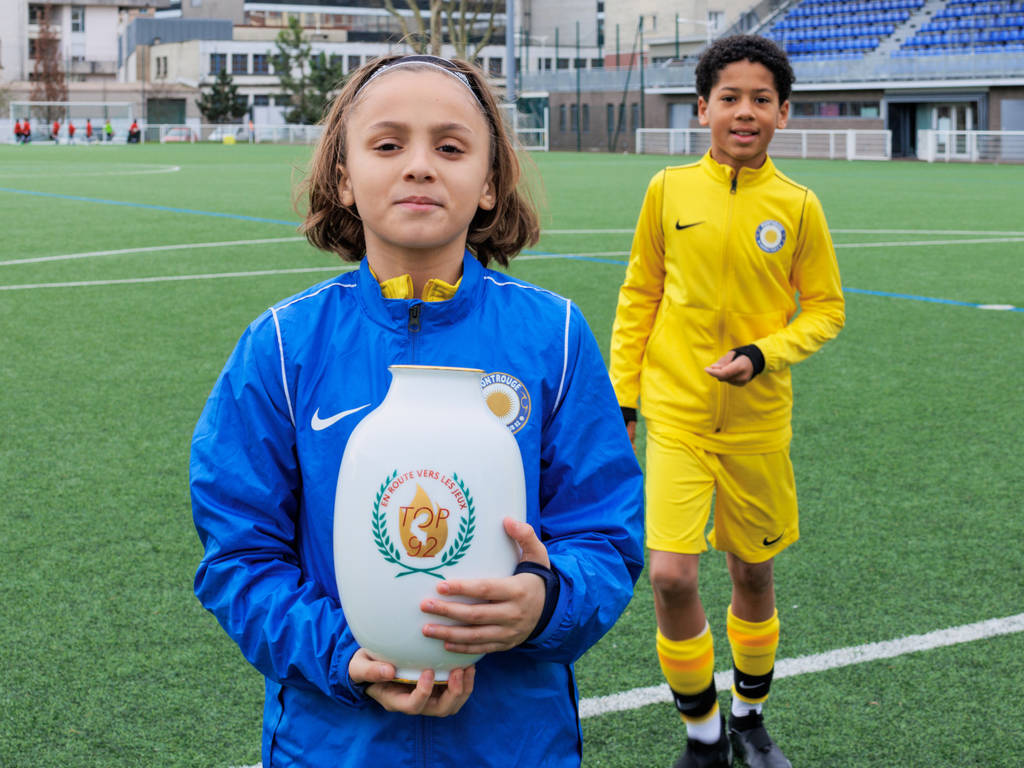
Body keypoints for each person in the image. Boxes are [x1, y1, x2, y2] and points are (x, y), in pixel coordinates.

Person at [190, 54, 645, 768]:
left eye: (452, 146)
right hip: (333, 745)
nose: (421, 166)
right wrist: (344, 656)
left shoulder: (553, 337)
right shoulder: (282, 347)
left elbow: (606, 534)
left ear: (491, 182)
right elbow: (240, 557)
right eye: (388, 143)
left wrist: (545, 600)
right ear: (343, 175)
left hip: (515, 744)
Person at [609, 35, 845, 768]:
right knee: (672, 574)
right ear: (704, 108)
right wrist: (624, 399)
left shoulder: (799, 207)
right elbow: (639, 294)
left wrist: (762, 355)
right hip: (676, 416)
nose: (745, 112)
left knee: (752, 573)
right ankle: (704, 733)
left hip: (757, 425)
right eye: (731, 98)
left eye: (762, 100)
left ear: (784, 114)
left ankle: (749, 719)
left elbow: (826, 310)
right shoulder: (667, 190)